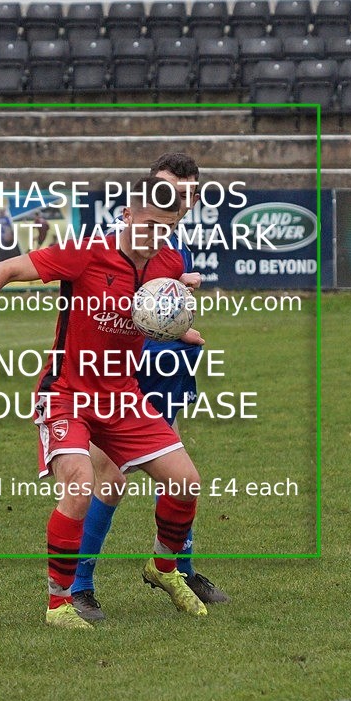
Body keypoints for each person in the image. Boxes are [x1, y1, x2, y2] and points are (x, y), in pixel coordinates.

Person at [0, 176, 209, 628]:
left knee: (185, 483)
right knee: (79, 485)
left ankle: (162, 569)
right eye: (148, 224)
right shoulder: (85, 253)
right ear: (127, 215)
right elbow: (3, 270)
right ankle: (59, 603)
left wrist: (180, 327)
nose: (154, 235)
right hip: (66, 393)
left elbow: (152, 308)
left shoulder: (169, 261)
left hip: (121, 394)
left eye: (166, 227)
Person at [71, 153, 229, 622]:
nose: (179, 203)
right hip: (118, 376)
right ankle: (79, 585)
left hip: (168, 372)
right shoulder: (119, 245)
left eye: (188, 195)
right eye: (169, 192)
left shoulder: (175, 249)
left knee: (177, 474)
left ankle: (179, 567)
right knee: (109, 479)